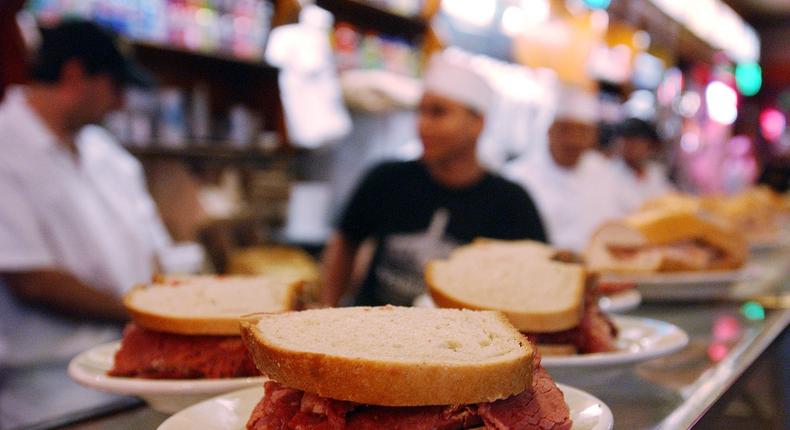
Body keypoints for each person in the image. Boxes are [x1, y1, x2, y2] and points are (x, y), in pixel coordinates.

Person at [320, 53, 546, 307]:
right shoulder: (386, 179)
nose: (422, 125)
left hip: (463, 342)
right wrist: (327, 308)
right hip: (371, 333)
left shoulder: (511, 203)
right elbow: (345, 242)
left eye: (438, 112)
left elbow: (538, 279)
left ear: (477, 123)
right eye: (421, 111)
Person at [0, 20, 163, 366]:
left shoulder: (106, 152)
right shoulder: (6, 146)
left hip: (135, 357)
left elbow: (151, 248)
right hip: (49, 386)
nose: (119, 104)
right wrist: (143, 315)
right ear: (74, 76)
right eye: (115, 87)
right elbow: (31, 280)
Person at [505, 85, 621, 252]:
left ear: (593, 137)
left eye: (583, 132)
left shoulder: (607, 175)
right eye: (565, 130)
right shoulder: (517, 178)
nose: (573, 140)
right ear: (549, 131)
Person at [610, 117, 674, 212]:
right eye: (626, 141)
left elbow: (672, 202)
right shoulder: (609, 174)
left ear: (648, 145)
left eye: (637, 141)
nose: (631, 147)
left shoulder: (655, 173)